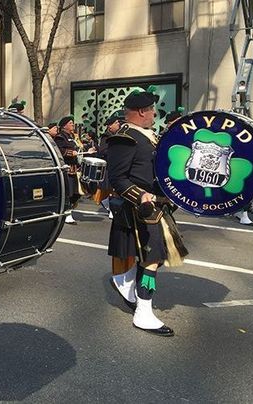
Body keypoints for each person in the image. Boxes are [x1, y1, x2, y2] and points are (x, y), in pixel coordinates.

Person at [105, 88, 188, 336]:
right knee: (152, 260)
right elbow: (117, 178)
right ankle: (143, 311)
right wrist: (140, 196)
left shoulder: (149, 135)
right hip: (140, 210)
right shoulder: (125, 137)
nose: (154, 113)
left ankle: (126, 279)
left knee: (157, 257)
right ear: (142, 111)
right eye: (151, 109)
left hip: (157, 206)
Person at [54, 115, 82, 224]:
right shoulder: (60, 137)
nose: (72, 125)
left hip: (75, 169)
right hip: (67, 169)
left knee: (77, 192)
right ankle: (67, 212)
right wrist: (70, 153)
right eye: (70, 123)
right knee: (69, 192)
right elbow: (59, 150)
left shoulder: (72, 136)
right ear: (64, 125)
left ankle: (69, 209)